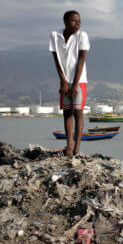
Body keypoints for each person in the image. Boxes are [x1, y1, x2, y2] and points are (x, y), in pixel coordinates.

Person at [49, 10, 90, 156]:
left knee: (78, 112)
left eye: (79, 20)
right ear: (65, 21)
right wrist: (64, 81)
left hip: (79, 80)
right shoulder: (55, 36)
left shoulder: (82, 36)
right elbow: (57, 60)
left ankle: (77, 148)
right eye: (74, 20)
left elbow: (81, 60)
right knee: (67, 113)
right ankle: (69, 147)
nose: (78, 23)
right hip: (65, 81)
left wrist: (75, 84)